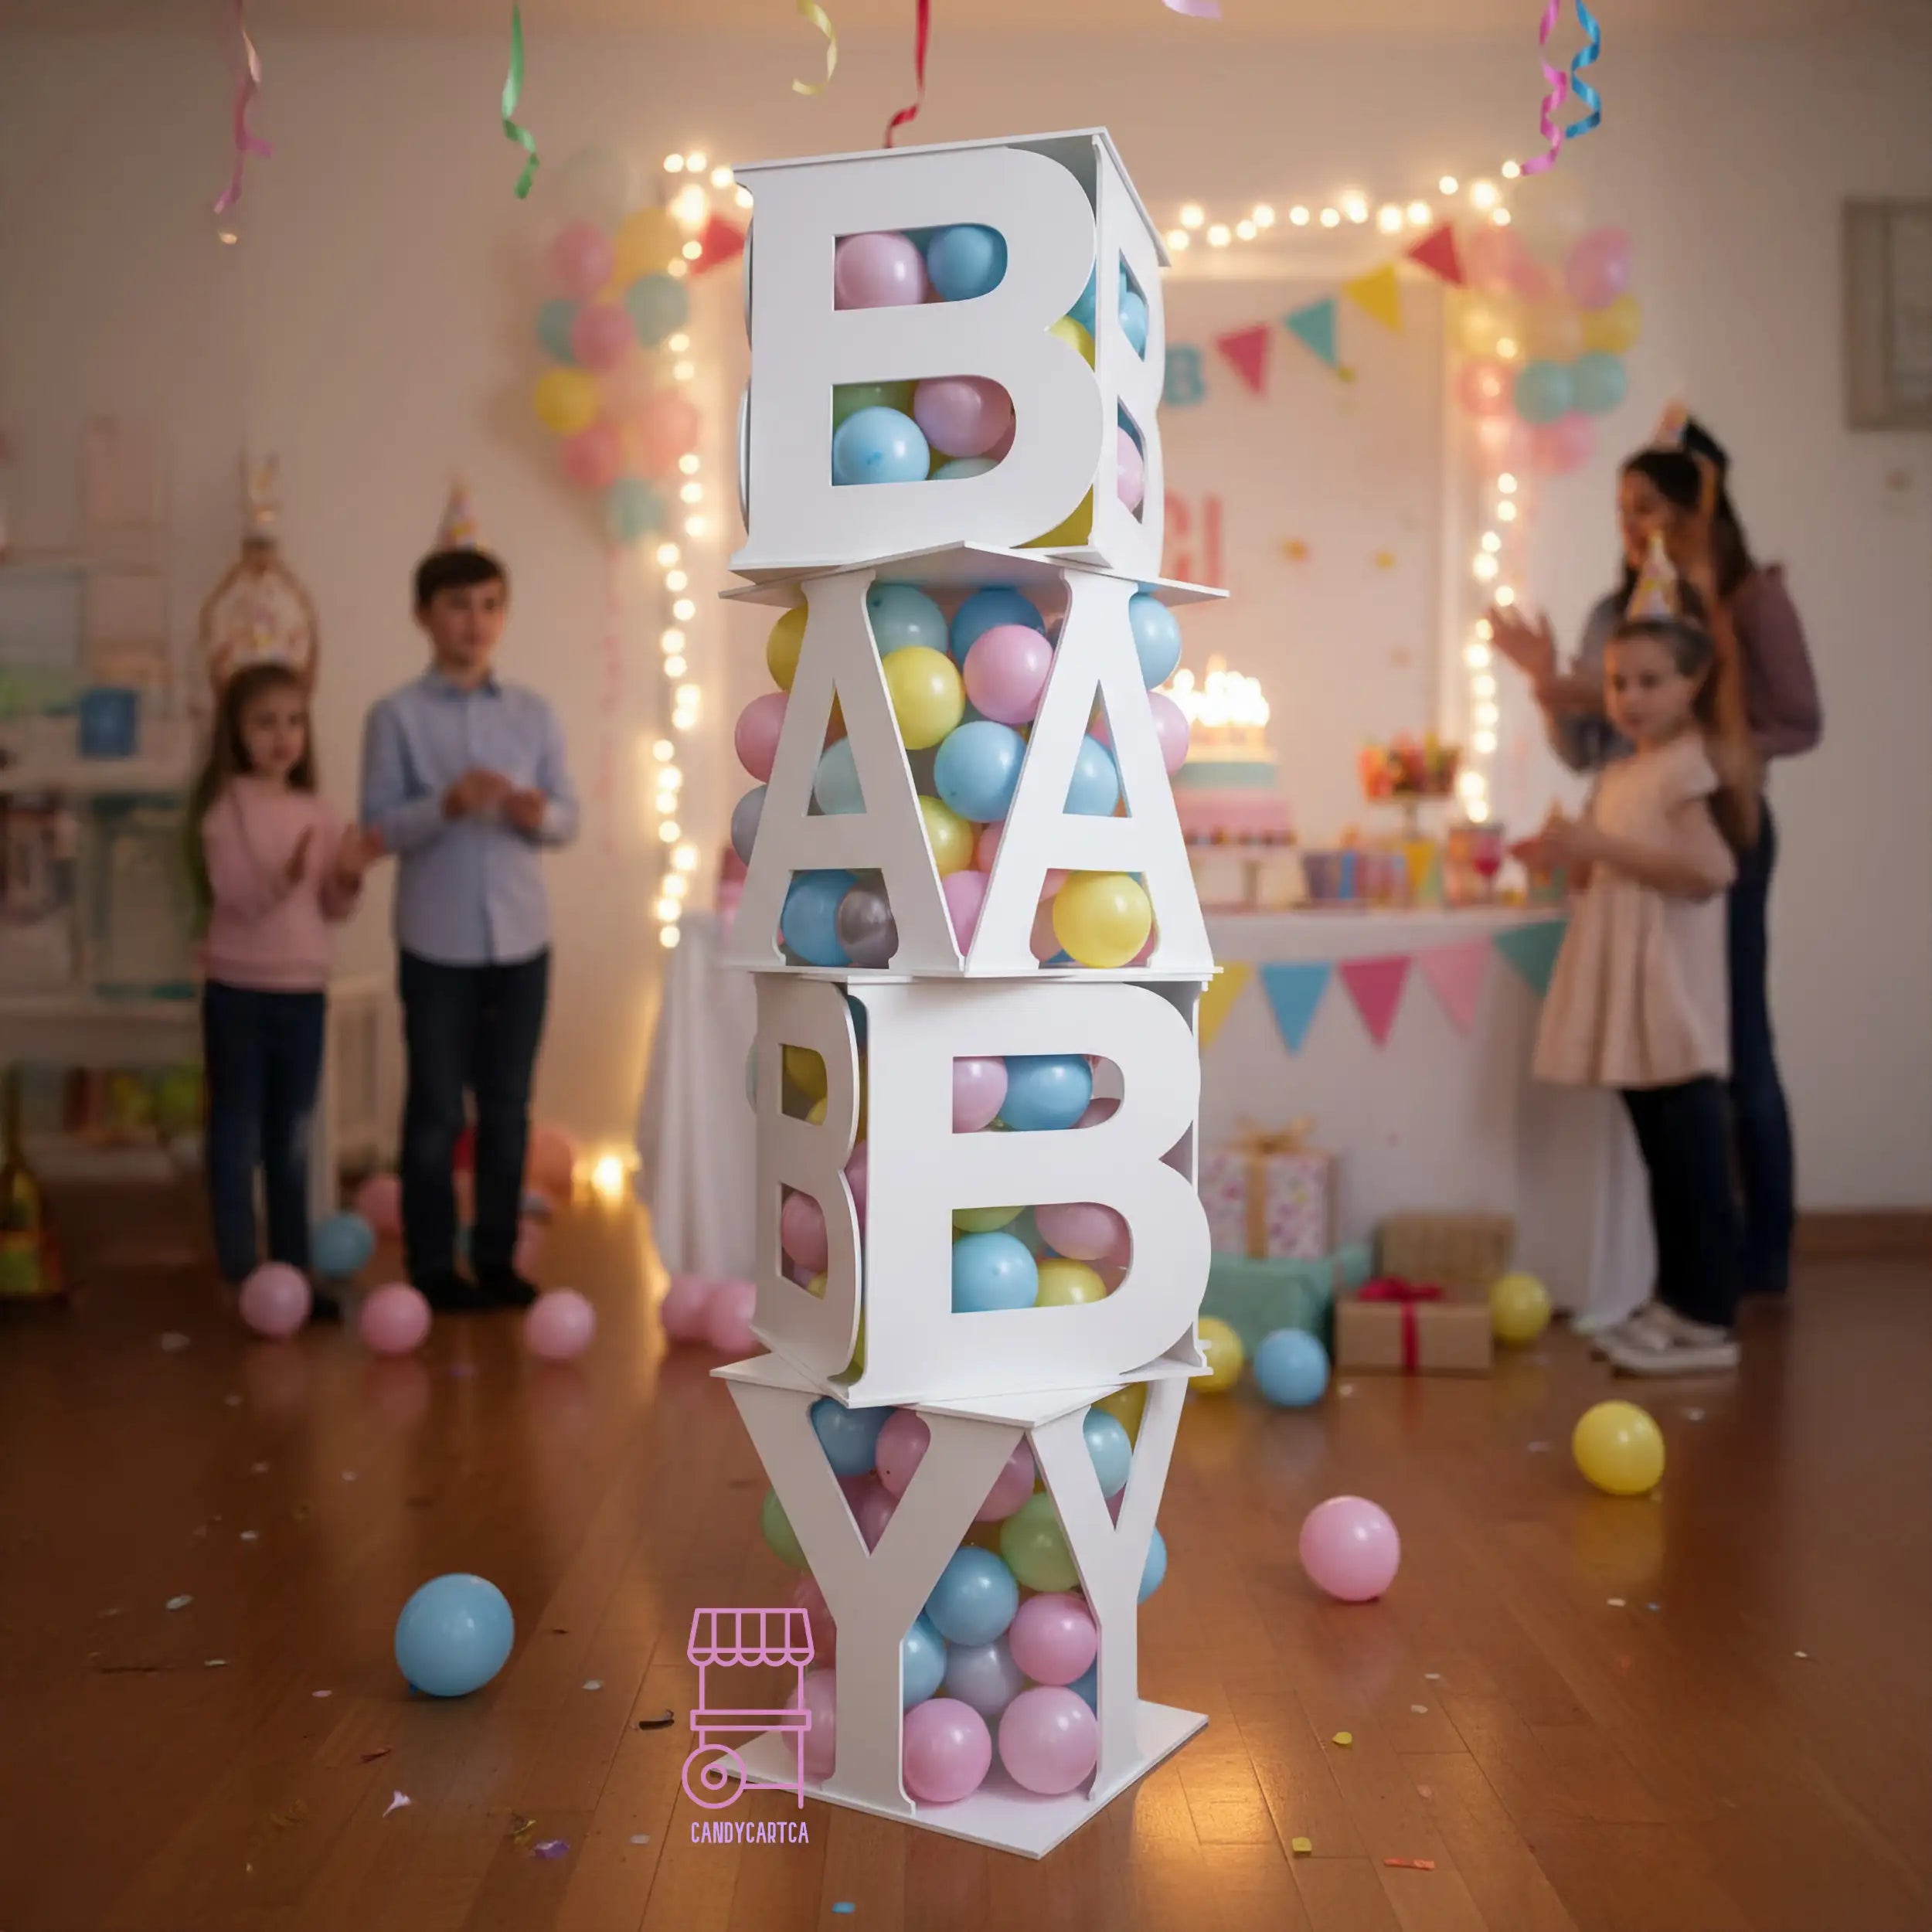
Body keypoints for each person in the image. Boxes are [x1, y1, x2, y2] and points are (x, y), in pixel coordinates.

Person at [1489, 410, 1820, 1298]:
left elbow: (1796, 720)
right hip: (1620, 844)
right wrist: (1549, 683)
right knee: (1652, 1060)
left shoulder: (1747, 599)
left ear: (1696, 506)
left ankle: (1752, 1266)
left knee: (1730, 1045)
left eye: (1650, 506)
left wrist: (1708, 751)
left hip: (1709, 830)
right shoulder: (1617, 609)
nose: (1635, 526)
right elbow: (1587, 739)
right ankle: (1668, 1272)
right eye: (1622, 509)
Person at [1516, 535, 1760, 1375]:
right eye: (1618, 682)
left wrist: (1602, 849)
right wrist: (1569, 853)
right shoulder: (1624, 772)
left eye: (1650, 681)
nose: (1628, 697)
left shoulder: (1685, 770)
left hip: (1669, 1000)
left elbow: (1710, 869)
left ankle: (1708, 1316)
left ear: (1692, 684)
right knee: (1661, 1160)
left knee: (1692, 1165)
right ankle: (1673, 1299)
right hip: (1629, 993)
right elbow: (1603, 867)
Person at [359, 487, 578, 1312]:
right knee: (433, 1110)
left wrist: (536, 813)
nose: (475, 621)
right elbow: (377, 826)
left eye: (489, 605)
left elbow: (568, 816)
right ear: (425, 615)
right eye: (458, 606)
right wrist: (445, 804)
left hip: (522, 939)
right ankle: (428, 1265)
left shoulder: (534, 713)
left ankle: (496, 1260)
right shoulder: (396, 717)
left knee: (510, 1109)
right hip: (437, 943)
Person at [194, 661, 376, 1314]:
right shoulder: (227, 810)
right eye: (265, 722)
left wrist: (347, 874)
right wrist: (284, 873)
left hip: (302, 990)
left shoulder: (318, 811)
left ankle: (293, 1271)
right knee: (238, 1130)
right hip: (238, 990)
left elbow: (329, 905)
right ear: (237, 733)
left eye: (293, 721)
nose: (282, 736)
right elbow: (237, 898)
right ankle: (241, 1266)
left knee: (292, 1135)